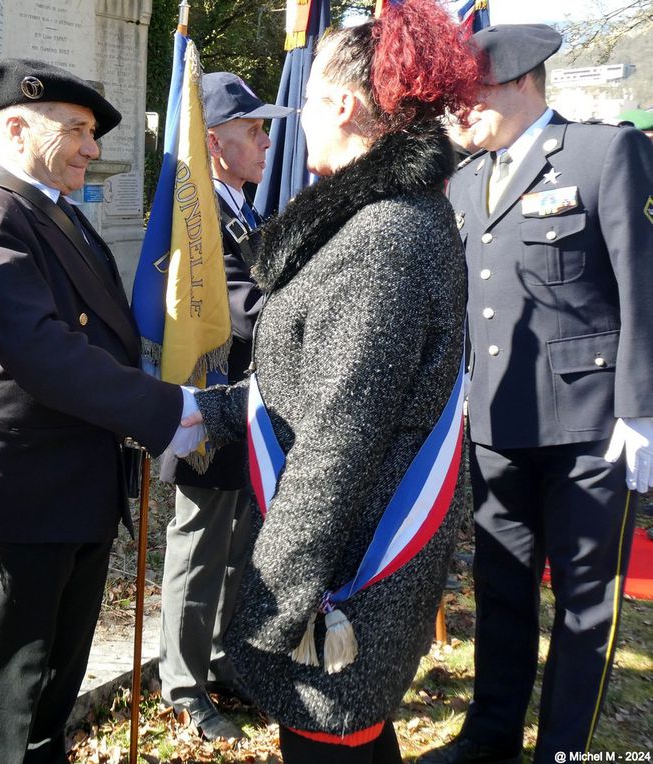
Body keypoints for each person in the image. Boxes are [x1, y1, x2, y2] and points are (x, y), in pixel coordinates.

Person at [185, 0, 478, 758]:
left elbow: (340, 437)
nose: (294, 121)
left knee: (332, 746)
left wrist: (270, 606)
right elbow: (309, 381)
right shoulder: (377, 219)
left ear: (344, 104)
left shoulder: (382, 236)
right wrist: (201, 416)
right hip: (337, 556)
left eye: (306, 99)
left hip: (343, 576)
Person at [0, 59, 204, 763]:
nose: (93, 147)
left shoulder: (57, 215)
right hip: (25, 496)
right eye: (79, 129)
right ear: (18, 127)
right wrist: (168, 410)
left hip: (77, 485)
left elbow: (106, 340)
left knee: (55, 683)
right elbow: (45, 352)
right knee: (10, 691)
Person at [423, 25, 653, 764]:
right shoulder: (463, 179)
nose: (457, 113)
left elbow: (642, 289)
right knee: (500, 591)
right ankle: (489, 738)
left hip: (592, 428)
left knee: (585, 606)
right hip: (495, 421)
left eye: (469, 95)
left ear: (523, 81)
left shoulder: (601, 154)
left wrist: (642, 410)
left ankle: (565, 750)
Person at [156, 70, 289, 742]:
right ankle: (182, 685)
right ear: (214, 143)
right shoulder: (199, 221)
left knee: (242, 545)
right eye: (253, 130)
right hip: (209, 403)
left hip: (253, 409)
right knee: (199, 548)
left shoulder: (247, 211)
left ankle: (220, 661)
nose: (266, 141)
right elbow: (245, 311)